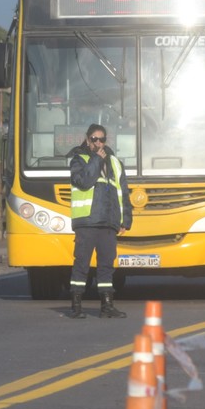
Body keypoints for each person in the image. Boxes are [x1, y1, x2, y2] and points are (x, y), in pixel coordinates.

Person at [66, 123, 132, 319]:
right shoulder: (79, 159)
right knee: (82, 265)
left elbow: (123, 192)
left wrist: (125, 220)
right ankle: (76, 306)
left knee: (106, 266)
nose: (98, 143)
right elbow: (84, 181)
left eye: (101, 139)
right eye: (94, 139)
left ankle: (107, 306)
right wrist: (95, 159)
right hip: (87, 222)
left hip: (108, 223)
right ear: (88, 140)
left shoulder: (114, 162)